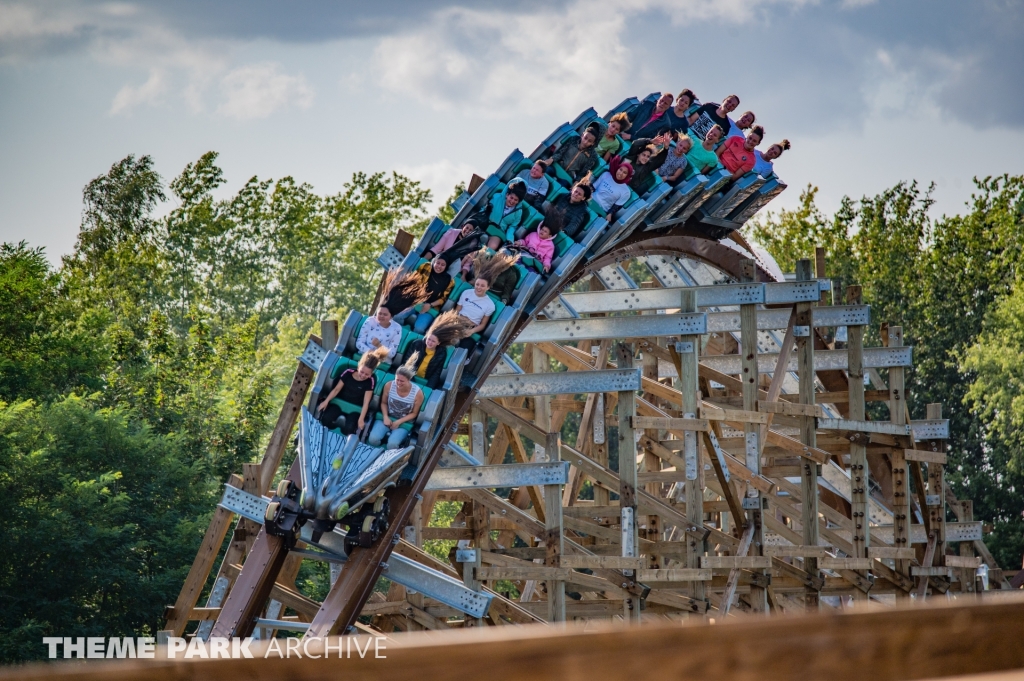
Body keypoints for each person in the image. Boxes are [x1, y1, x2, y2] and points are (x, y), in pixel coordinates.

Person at [315, 345, 388, 435]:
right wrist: (326, 401)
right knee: (326, 419)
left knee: (349, 428)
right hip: (339, 403)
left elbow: (366, 402)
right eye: (362, 372)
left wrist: (361, 418)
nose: (363, 376)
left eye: (367, 374)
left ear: (371, 373)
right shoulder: (348, 373)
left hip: (355, 408)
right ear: (358, 366)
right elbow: (336, 389)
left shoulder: (370, 381)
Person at [405, 310, 475, 389]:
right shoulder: (416, 344)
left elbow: (436, 374)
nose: (429, 343)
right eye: (429, 339)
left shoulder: (441, 353)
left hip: (426, 382)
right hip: (409, 378)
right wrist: (411, 382)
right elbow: (407, 364)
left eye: (433, 341)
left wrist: (428, 388)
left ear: (438, 343)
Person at [367, 359, 424, 450]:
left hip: (403, 422)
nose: (398, 383)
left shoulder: (417, 393)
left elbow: (414, 413)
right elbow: (384, 403)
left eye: (402, 381)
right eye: (397, 380)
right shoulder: (389, 385)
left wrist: (398, 422)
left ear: (409, 380)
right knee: (373, 439)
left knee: (392, 445)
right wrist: (385, 416)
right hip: (387, 417)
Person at [393, 256, 454, 335]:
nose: (439, 266)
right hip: (414, 300)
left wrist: (430, 305)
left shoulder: (449, 281)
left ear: (446, 267)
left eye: (443, 265)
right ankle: (395, 334)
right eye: (437, 263)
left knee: (419, 328)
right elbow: (413, 281)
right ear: (434, 261)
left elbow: (443, 299)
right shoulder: (426, 267)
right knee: (397, 316)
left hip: (430, 307)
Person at [463, 178, 529, 250]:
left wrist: (509, 239)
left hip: (498, 232)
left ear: (519, 201)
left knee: (492, 246)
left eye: (516, 200)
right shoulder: (497, 197)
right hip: (486, 224)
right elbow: (485, 209)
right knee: (474, 242)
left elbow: (513, 226)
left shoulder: (518, 212)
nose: (512, 201)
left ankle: (481, 258)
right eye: (511, 197)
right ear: (507, 195)